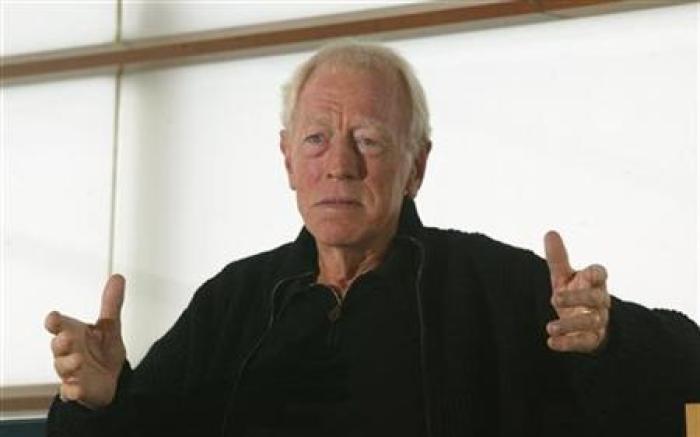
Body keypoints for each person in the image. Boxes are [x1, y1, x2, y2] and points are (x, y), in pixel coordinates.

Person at [44, 42, 699, 437]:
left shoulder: (498, 284)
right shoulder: (234, 300)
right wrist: (100, 402)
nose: (340, 165)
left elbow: (687, 390)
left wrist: (611, 341)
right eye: (317, 138)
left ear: (417, 164)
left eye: (370, 140)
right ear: (286, 158)